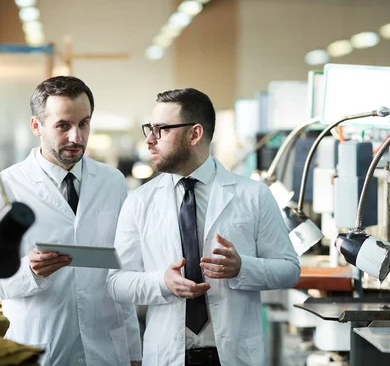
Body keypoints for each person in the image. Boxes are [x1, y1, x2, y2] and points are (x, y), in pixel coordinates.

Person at [106, 88, 300, 366]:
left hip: (232, 356)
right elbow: (116, 283)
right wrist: (162, 282)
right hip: (168, 356)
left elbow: (289, 270)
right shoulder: (139, 202)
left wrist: (243, 268)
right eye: (149, 128)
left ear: (194, 134)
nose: (150, 140)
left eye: (161, 130)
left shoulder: (253, 195)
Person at [0, 76, 142, 366]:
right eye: (63, 125)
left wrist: (133, 353)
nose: (76, 137)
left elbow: (122, 270)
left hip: (107, 349)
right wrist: (30, 272)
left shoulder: (112, 182)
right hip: (40, 346)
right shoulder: (4, 189)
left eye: (84, 123)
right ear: (36, 126)